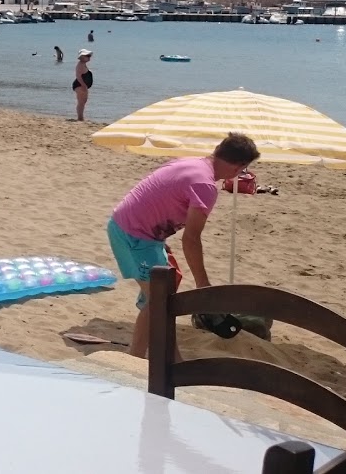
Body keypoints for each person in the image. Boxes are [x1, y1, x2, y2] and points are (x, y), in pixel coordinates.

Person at [107, 133, 260, 358]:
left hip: (129, 227)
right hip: (135, 235)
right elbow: (190, 239)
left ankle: (148, 356)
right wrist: (202, 284)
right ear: (238, 167)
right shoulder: (205, 185)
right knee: (161, 301)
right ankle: (156, 359)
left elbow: (159, 198)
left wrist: (160, 241)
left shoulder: (190, 161)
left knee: (160, 297)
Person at [73, 49, 94, 121]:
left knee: (83, 101)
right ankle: (80, 118)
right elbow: (78, 76)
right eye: (87, 56)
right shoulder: (80, 65)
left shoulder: (83, 64)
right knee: (81, 102)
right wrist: (84, 86)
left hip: (82, 85)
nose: (89, 57)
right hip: (80, 85)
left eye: (89, 56)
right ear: (82, 57)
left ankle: (81, 117)